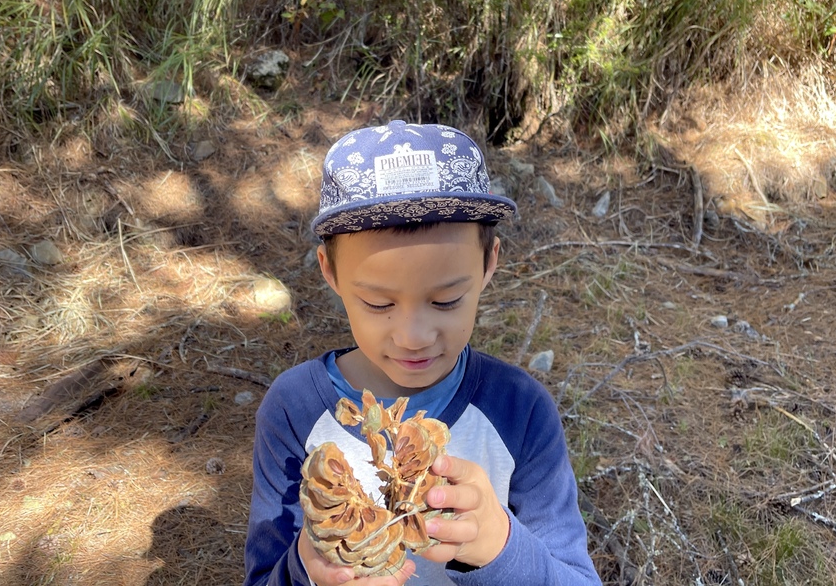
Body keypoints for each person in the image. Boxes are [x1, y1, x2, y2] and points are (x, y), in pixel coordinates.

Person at [244, 120, 602, 586]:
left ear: (489, 262)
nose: (413, 336)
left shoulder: (520, 411)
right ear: (329, 272)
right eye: (378, 303)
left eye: (446, 301)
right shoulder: (293, 409)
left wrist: (500, 546)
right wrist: (304, 571)